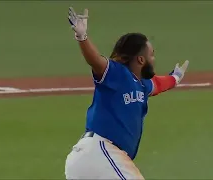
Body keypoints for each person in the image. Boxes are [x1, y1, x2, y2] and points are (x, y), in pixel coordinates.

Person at [65, 7, 189, 180]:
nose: (154, 59)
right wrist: (82, 37)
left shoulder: (142, 85)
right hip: (99, 152)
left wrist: (175, 77)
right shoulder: (116, 74)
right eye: (151, 55)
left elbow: (159, 84)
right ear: (140, 59)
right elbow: (95, 60)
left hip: (92, 160)